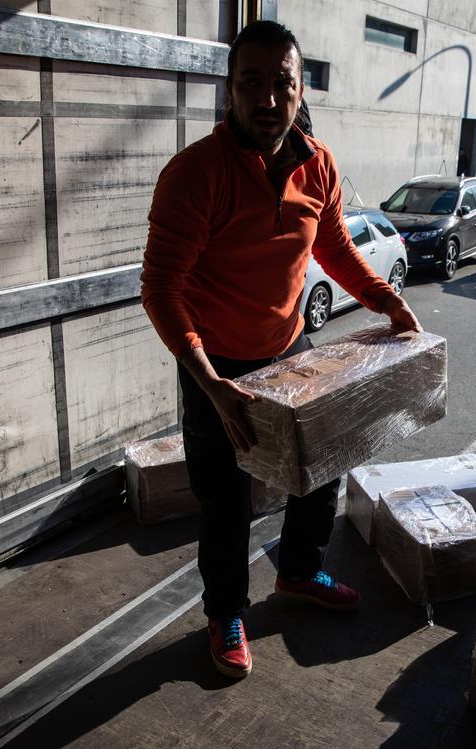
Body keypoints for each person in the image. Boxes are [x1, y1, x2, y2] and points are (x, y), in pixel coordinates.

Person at [141, 21, 421, 679]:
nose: (267, 99)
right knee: (227, 502)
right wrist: (210, 382)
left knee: (321, 469)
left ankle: (297, 573)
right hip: (218, 367)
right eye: (252, 83)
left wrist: (387, 301)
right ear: (230, 90)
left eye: (281, 84)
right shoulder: (193, 176)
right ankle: (225, 612)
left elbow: (335, 249)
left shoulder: (317, 164)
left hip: (290, 351)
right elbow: (160, 289)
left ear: (299, 90)